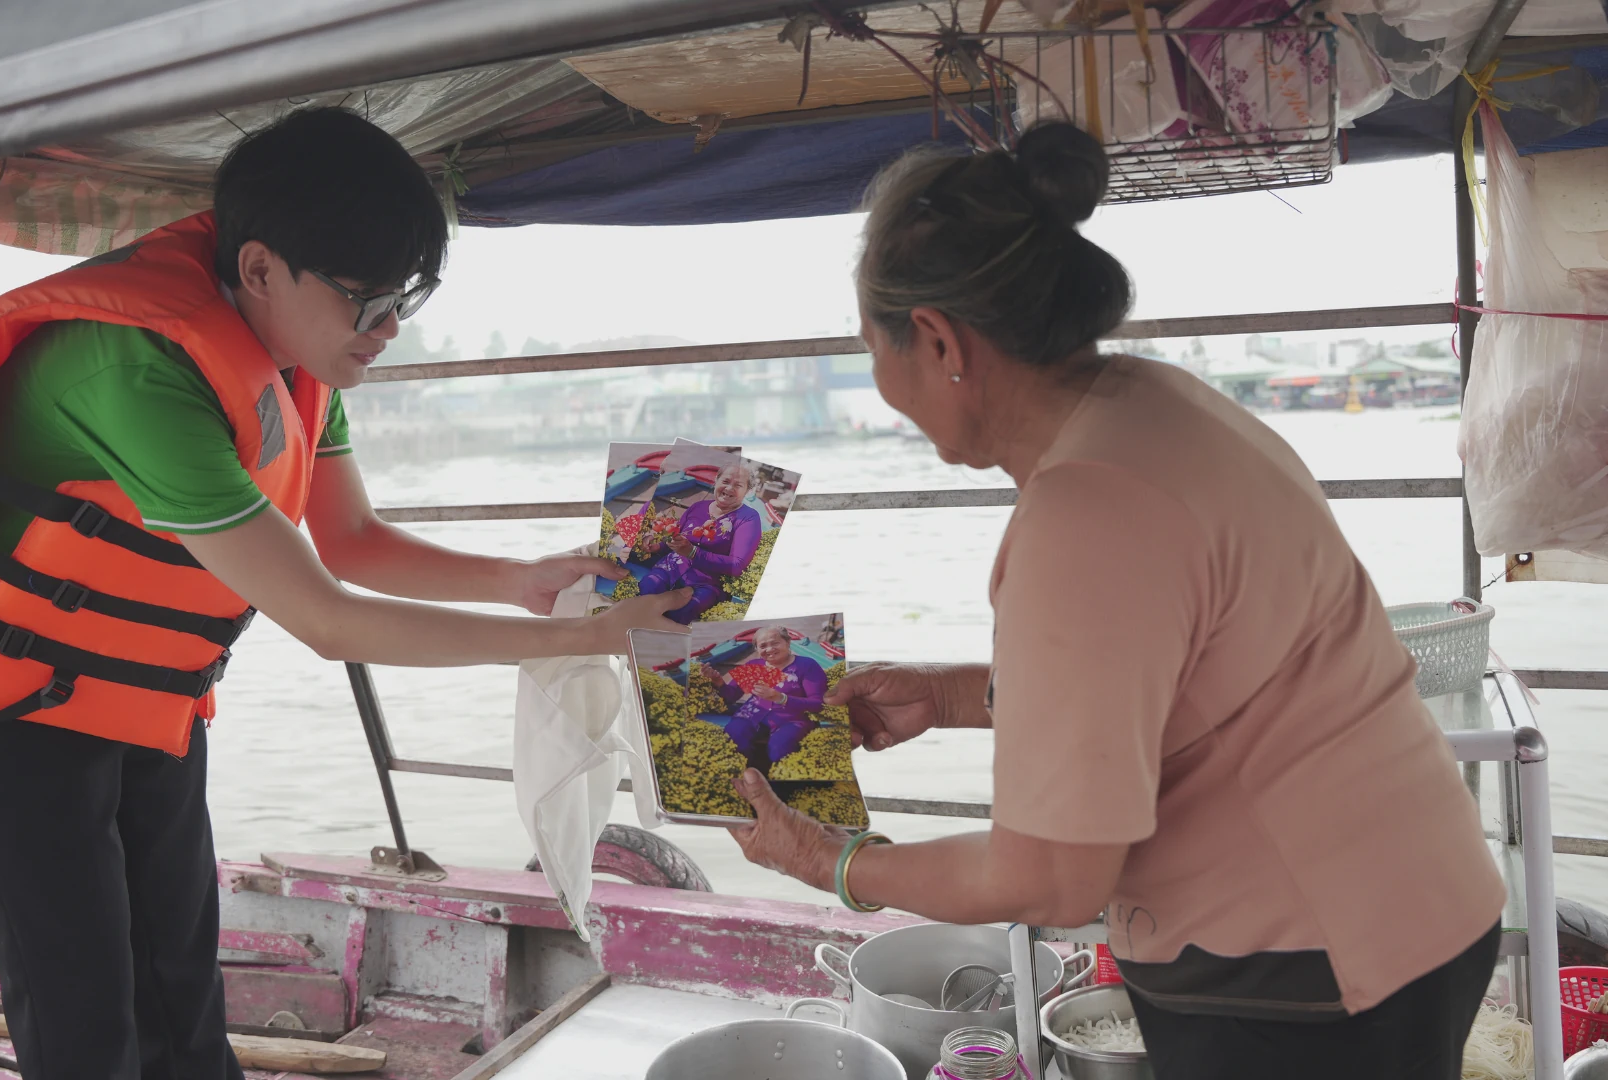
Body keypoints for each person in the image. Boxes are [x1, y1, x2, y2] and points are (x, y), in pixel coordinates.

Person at [0, 107, 685, 1080]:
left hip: (144, 685)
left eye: (404, 301)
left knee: (178, 969)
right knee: (80, 997)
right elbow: (327, 618)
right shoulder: (137, 371)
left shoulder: (300, 351)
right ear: (259, 268)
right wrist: (585, 642)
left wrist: (524, 585)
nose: (385, 331)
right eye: (365, 302)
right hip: (4, 686)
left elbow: (351, 542)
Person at [726, 123, 1505, 1080]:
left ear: (936, 339)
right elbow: (1169, 673)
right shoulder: (1157, 407)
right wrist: (952, 693)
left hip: (1310, 971)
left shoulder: (1083, 511)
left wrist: (833, 862)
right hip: (1413, 903)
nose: (883, 386)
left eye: (872, 348)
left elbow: (1052, 876)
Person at [635, 463, 762, 622]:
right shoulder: (698, 507)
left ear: (747, 491)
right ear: (716, 480)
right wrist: (656, 546)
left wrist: (693, 553)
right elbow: (676, 538)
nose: (729, 488)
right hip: (671, 566)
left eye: (738, 485)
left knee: (682, 612)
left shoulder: (748, 518)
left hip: (707, 582)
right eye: (725, 481)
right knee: (647, 590)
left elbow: (737, 565)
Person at [696, 626, 828, 774]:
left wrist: (780, 698)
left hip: (792, 718)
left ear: (788, 642)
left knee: (780, 749)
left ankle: (780, 786)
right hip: (751, 714)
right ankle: (741, 778)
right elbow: (732, 696)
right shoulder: (753, 666)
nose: (769, 649)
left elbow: (818, 704)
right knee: (734, 736)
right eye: (763, 646)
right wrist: (718, 681)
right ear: (757, 649)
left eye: (775, 643)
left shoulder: (806, 665)